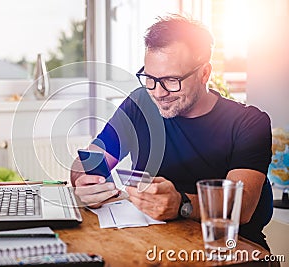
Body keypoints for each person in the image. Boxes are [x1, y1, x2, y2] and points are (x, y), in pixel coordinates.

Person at [70, 14, 273, 250]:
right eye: (150, 78)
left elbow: (242, 206)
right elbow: (92, 158)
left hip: (231, 249)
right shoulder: (139, 105)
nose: (158, 92)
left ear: (204, 73)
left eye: (171, 80)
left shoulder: (249, 122)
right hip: (154, 244)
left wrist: (181, 204)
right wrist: (84, 180)